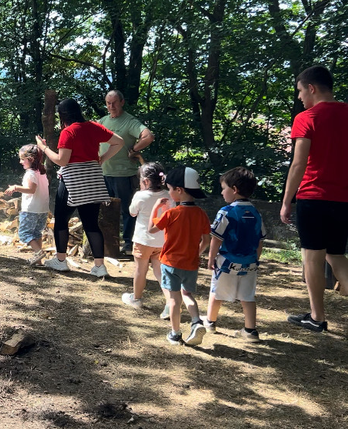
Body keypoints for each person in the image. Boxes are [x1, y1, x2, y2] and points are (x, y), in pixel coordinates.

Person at [280, 65, 348, 333]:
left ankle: (316, 317)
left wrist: (287, 201)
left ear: (311, 88)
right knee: (336, 255)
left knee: (312, 257)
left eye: (299, 91)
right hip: (343, 199)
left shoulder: (306, 117)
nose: (299, 98)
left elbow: (299, 164)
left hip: (313, 196)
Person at [36, 98, 124, 277]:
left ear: (63, 115)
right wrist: (103, 158)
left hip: (72, 180)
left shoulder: (68, 132)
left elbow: (62, 160)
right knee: (91, 223)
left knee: (61, 220)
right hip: (93, 178)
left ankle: (61, 261)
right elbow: (119, 142)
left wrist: (43, 148)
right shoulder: (93, 126)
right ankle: (99, 266)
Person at [148, 166, 211, 346]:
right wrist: (195, 254)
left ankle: (175, 334)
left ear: (179, 190)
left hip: (170, 263)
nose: (169, 192)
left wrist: (156, 208)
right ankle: (197, 321)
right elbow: (206, 240)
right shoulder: (201, 214)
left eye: (169, 189)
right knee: (187, 294)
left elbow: (152, 229)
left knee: (174, 299)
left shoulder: (171, 213)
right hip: (190, 264)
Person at [204, 167, 265, 341]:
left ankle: (210, 322)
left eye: (223, 188)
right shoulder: (256, 213)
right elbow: (260, 241)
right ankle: (250, 330)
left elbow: (216, 238)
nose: (222, 192)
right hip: (250, 263)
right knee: (248, 297)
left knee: (216, 292)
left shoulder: (226, 212)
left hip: (226, 262)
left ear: (234, 190)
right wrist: (255, 259)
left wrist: (211, 259)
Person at [98, 90, 155, 255]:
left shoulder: (129, 121)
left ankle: (128, 244)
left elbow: (148, 136)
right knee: (105, 209)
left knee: (127, 210)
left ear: (122, 102)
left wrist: (134, 149)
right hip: (104, 173)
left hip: (123, 174)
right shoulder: (102, 121)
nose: (111, 106)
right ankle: (108, 242)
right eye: (108, 103)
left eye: (114, 102)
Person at [121, 162, 171, 311]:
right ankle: (170, 302)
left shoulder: (140, 196)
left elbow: (132, 212)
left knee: (140, 269)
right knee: (160, 270)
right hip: (162, 240)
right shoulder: (169, 195)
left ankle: (136, 298)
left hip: (143, 240)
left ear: (146, 181)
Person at [4, 144, 51, 266]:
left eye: (22, 159)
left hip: (31, 209)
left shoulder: (31, 173)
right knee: (36, 234)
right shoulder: (42, 172)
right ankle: (39, 261)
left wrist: (16, 187)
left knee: (24, 233)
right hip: (43, 209)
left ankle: (39, 252)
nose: (20, 162)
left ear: (30, 159)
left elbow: (31, 189)